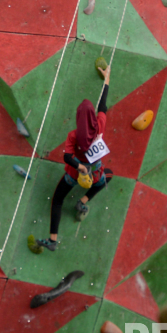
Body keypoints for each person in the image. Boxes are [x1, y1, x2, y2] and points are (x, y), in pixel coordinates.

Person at [37, 65, 114, 251]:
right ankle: (83, 202)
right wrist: (107, 79)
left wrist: (79, 167)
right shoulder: (100, 127)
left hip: (74, 175)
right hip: (95, 174)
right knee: (108, 175)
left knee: (57, 199)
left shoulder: (73, 135)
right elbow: (103, 105)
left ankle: (53, 240)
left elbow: (66, 156)